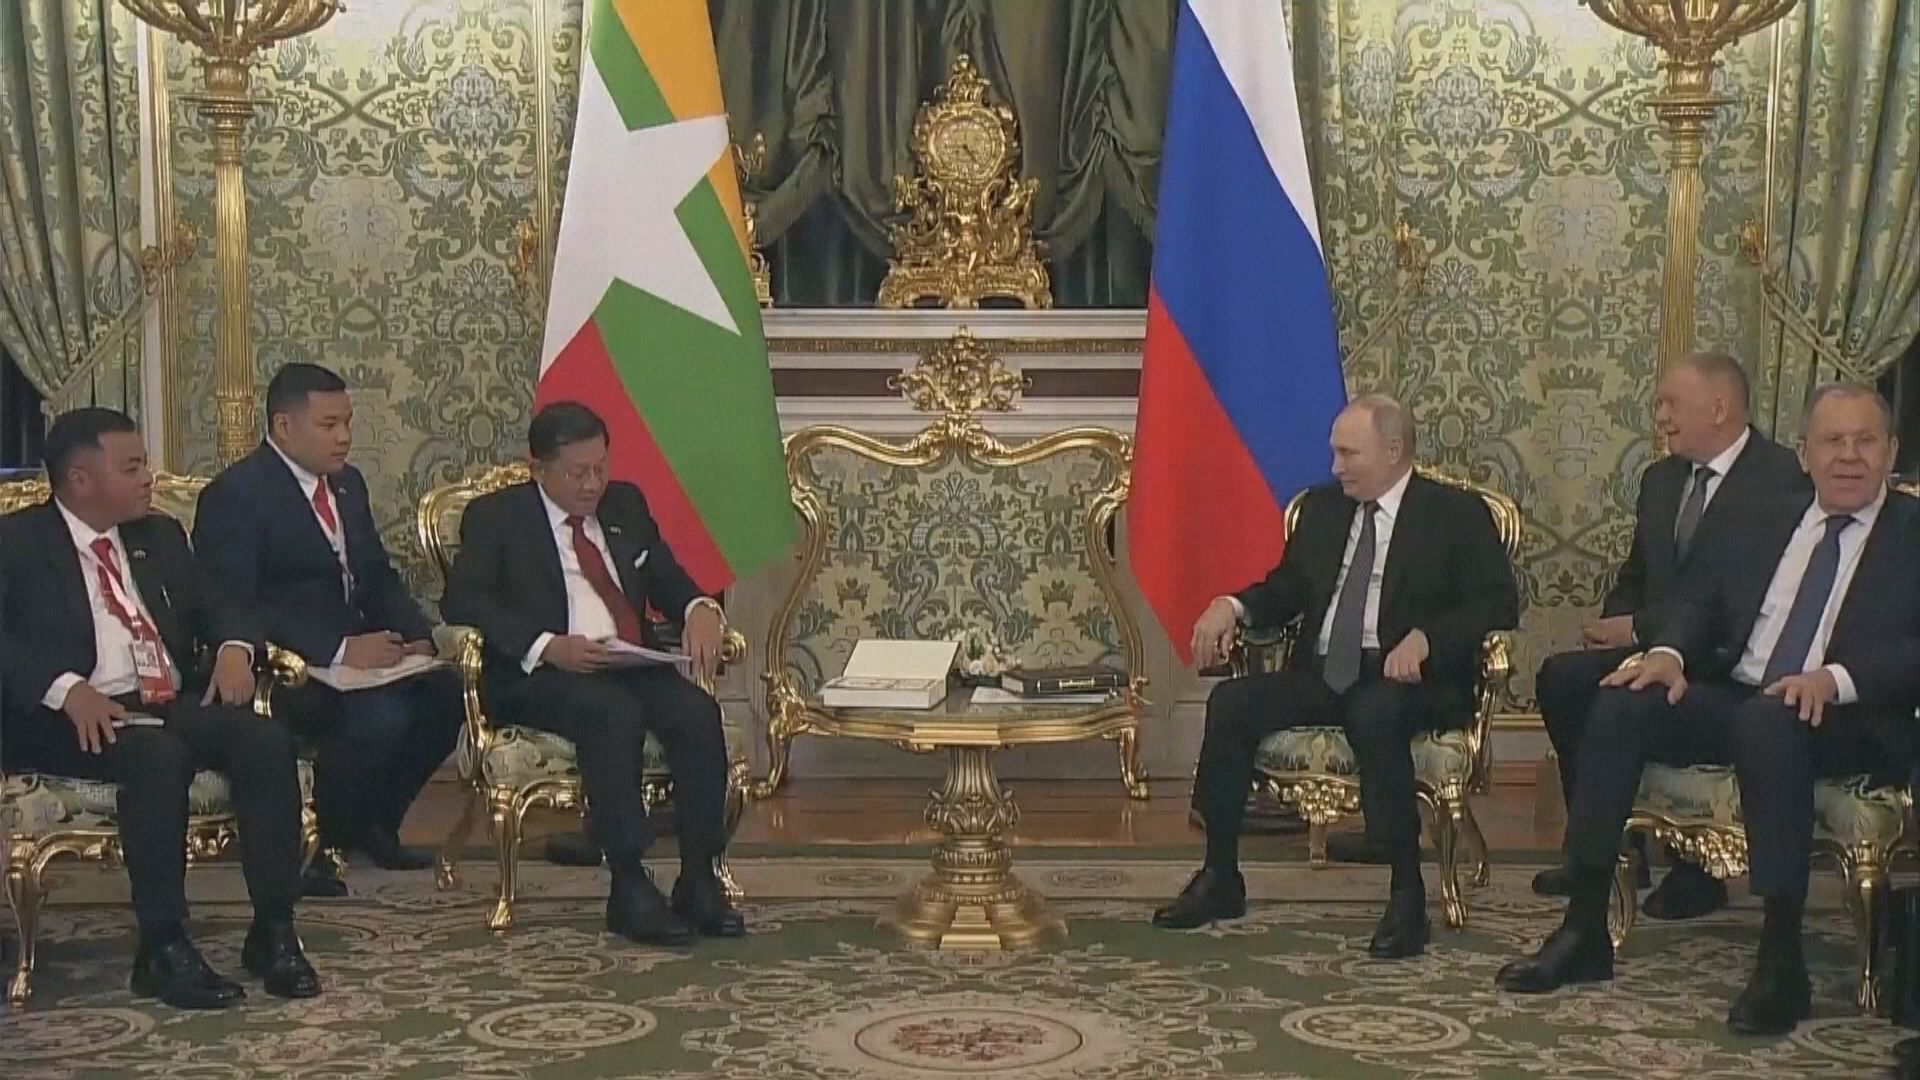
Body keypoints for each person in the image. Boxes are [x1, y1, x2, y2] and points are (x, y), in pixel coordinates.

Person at [1497, 384, 1920, 1036]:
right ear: (1804, 454)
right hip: (1744, 694)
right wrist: (1668, 653)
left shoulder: (1911, 533)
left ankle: (1781, 962)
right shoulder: (1766, 517)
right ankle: (1583, 928)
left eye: (1866, 441)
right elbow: (1703, 600)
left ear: (1890, 451)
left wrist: (1835, 679)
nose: (1848, 456)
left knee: (1768, 722)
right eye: (1833, 441)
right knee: (1624, 696)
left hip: (1848, 716)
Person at [1159, 394, 1519, 957]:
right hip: (1328, 672)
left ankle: (1406, 895)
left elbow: (1497, 603)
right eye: (1334, 453)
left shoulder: (1454, 513)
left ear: (1393, 451)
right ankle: (1220, 876)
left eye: (1348, 454)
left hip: (1411, 679)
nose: (1335, 467)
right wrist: (1232, 606)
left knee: (1375, 711)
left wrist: (1427, 637)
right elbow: (1287, 589)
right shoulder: (1324, 510)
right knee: (1231, 703)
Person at [0, 408, 320, 1008]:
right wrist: (64, 688)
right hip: (66, 715)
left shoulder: (159, 535)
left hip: (165, 700)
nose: (149, 477)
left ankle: (274, 931)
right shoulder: (17, 543)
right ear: (80, 479)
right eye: (131, 467)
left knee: (265, 741)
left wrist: (234, 649)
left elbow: (219, 603)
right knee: (156, 757)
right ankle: (163, 947)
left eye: (144, 463)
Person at [440, 401, 740, 946]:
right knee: (610, 714)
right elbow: (462, 601)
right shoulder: (497, 517)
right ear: (539, 469)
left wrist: (699, 607)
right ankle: (629, 884)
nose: (592, 484)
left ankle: (699, 877)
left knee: (696, 713)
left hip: (626, 660)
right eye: (577, 473)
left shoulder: (624, 504)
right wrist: (548, 646)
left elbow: (666, 575)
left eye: (601, 467)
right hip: (542, 675)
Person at [1532, 351, 1805, 916]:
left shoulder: (1783, 480)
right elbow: (1638, 575)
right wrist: (1617, 628)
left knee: (1628, 704)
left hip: (1729, 660)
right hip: (1660, 644)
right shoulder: (1660, 480)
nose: (1660, 417)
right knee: (1564, 679)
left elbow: (1741, 597)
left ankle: (1696, 870)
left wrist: (1641, 628)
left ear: (1720, 408)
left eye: (1671, 404)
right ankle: (1604, 848)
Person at [194, 364, 461, 894]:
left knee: (445, 695)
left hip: (359, 654)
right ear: (284, 426)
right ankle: (321, 846)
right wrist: (337, 650)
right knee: (380, 716)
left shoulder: (348, 484)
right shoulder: (236, 494)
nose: (344, 437)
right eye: (329, 425)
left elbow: (375, 575)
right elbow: (233, 601)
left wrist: (416, 634)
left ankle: (374, 824)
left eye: (348, 423)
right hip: (287, 665)